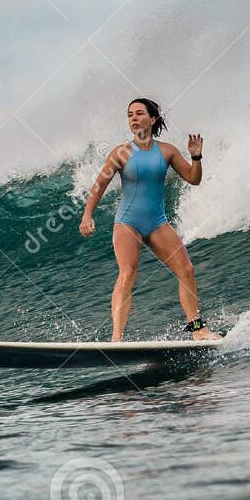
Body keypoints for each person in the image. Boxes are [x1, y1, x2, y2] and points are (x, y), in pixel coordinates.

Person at [79, 97, 219, 342]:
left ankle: (198, 330)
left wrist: (196, 158)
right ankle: (116, 338)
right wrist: (87, 214)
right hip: (127, 222)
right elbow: (99, 185)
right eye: (130, 114)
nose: (133, 118)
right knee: (128, 272)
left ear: (152, 119)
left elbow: (193, 179)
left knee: (186, 269)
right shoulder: (121, 153)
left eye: (139, 113)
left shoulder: (167, 151)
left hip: (157, 223)